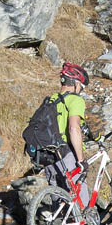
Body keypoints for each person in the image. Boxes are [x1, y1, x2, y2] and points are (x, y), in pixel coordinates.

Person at [44, 62, 90, 208]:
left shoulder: (51, 99)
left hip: (48, 157)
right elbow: (73, 128)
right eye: (81, 87)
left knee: (60, 204)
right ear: (76, 83)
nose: (81, 91)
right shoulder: (75, 100)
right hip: (66, 155)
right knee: (80, 202)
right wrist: (81, 160)